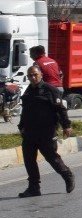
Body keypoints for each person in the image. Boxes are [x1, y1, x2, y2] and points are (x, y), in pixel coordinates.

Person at [17, 63, 75, 197]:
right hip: (30, 132)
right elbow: (25, 111)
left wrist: (66, 125)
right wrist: (21, 127)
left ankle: (67, 175)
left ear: (41, 75)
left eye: (35, 74)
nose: (32, 77)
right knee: (29, 160)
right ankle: (33, 187)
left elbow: (61, 110)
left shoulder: (50, 90)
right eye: (30, 75)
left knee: (52, 158)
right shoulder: (28, 91)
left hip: (47, 132)